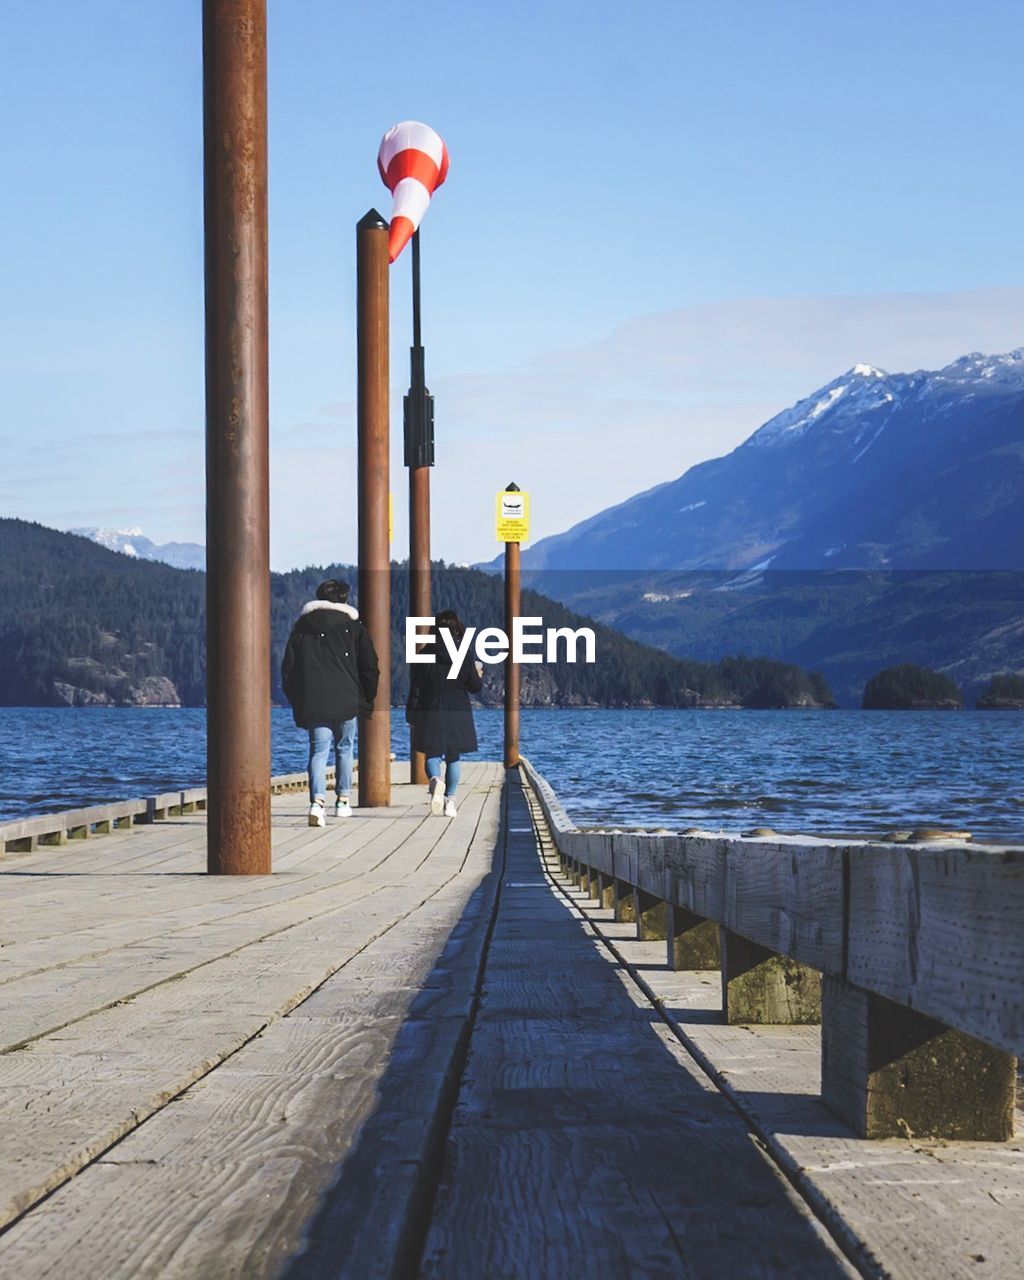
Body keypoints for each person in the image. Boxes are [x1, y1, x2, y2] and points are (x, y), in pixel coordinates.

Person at [281, 579, 379, 828]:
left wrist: (297, 699)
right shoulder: (354, 628)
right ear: (344, 599)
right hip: (347, 698)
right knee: (345, 749)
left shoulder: (301, 628)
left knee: (317, 751)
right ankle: (343, 801)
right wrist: (367, 697)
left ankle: (317, 803)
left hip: (314, 700)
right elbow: (370, 666)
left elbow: (288, 670)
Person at [406, 609, 483, 818]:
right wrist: (478, 673)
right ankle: (450, 801)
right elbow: (475, 686)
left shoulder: (424, 653)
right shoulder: (463, 652)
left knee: (432, 753)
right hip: (458, 709)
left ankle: (434, 781)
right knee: (453, 756)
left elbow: (416, 688)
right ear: (457, 628)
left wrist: (411, 714)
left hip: (431, 708)